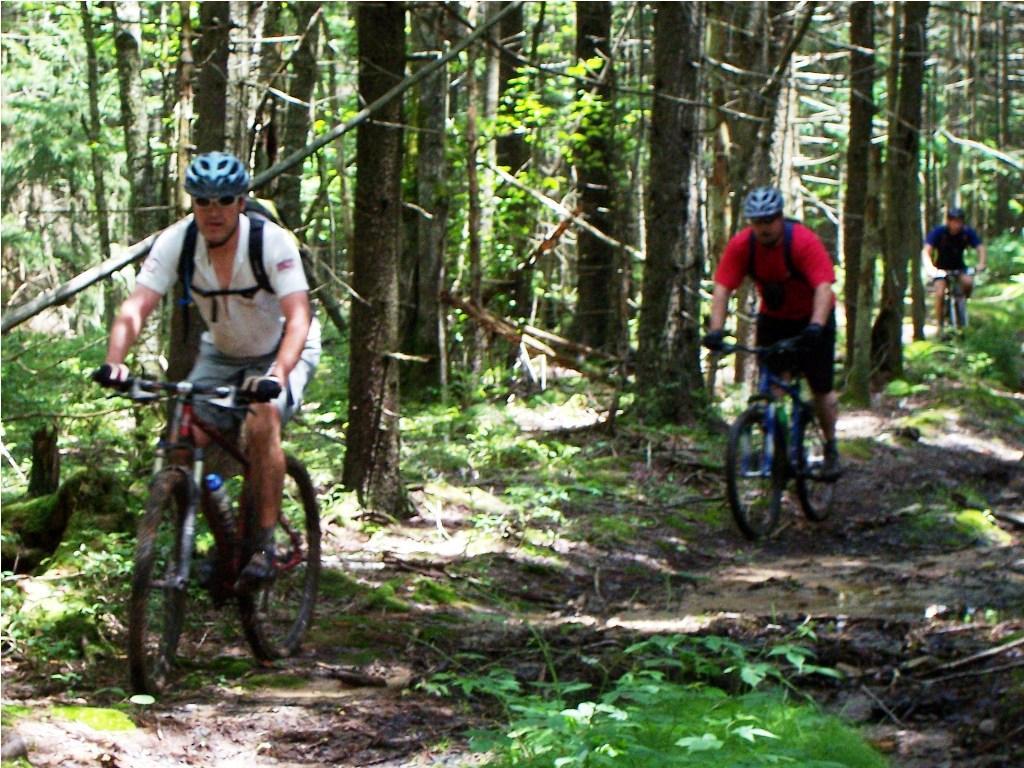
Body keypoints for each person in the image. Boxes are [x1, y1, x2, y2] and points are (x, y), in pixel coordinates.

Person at [93, 151, 321, 586]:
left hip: (284, 348)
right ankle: (197, 542)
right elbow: (136, 307)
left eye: (225, 200)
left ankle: (266, 546)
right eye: (203, 202)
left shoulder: (270, 242)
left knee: (261, 421)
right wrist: (115, 362)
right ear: (192, 204)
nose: (213, 211)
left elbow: (298, 317)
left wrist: (275, 375)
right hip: (221, 353)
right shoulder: (178, 242)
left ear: (241, 202)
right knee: (181, 438)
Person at [702, 186, 841, 479]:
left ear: (780, 218)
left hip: (815, 316)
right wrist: (716, 330)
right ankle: (774, 448)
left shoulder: (802, 242)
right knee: (773, 386)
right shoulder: (743, 246)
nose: (763, 228)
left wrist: (816, 325)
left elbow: (823, 287)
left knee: (821, 390)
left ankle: (830, 448)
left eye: (768, 221)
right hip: (775, 319)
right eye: (757, 222)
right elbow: (723, 286)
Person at [923, 206, 987, 335]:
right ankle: (940, 326)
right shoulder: (939, 232)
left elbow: (980, 247)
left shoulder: (966, 233)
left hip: (959, 268)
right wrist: (930, 268)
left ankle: (962, 303)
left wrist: (981, 263)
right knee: (940, 293)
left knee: (968, 283)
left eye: (959, 221)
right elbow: (926, 250)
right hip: (940, 269)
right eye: (954, 221)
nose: (956, 225)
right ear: (948, 221)